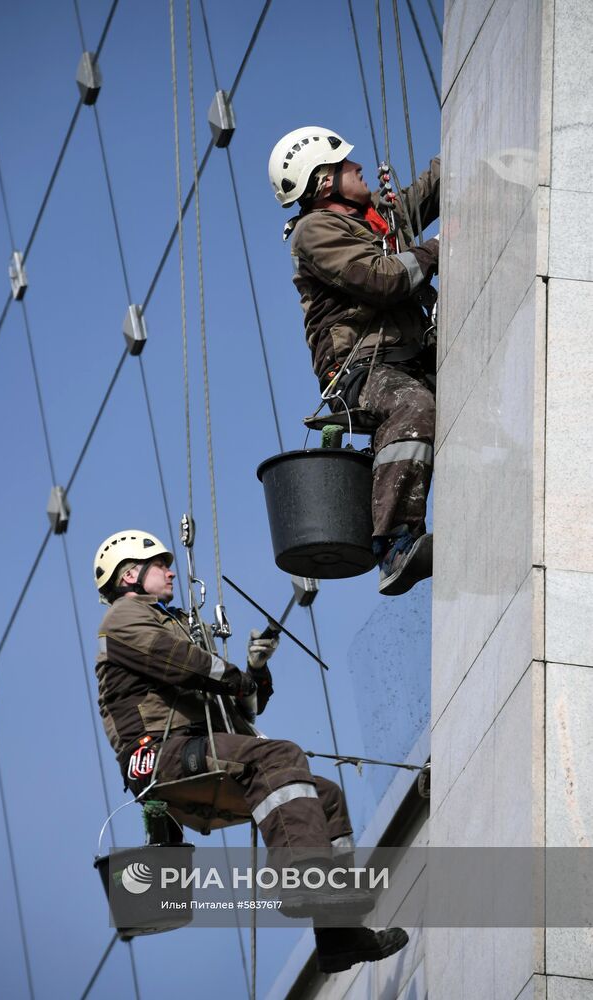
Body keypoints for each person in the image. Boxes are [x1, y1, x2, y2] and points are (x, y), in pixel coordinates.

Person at [93, 529, 408, 973]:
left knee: (325, 796)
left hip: (195, 750)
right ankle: (304, 879)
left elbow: (233, 710)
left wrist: (255, 673)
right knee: (279, 756)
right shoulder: (123, 617)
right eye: (159, 565)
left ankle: (339, 935)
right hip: (162, 754)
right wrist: (234, 676)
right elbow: (182, 663)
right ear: (129, 575)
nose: (170, 572)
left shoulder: (171, 622)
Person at [268, 127, 440, 596]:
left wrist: (471, 150)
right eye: (346, 164)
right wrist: (438, 248)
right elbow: (382, 278)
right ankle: (396, 543)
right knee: (413, 409)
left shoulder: (374, 219)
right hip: (361, 368)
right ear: (325, 182)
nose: (358, 166)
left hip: (412, 355)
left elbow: (428, 192)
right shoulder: (315, 231)